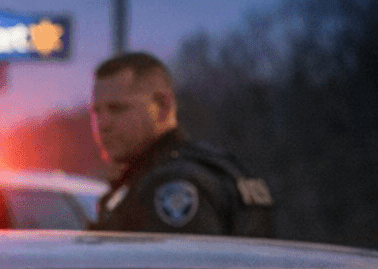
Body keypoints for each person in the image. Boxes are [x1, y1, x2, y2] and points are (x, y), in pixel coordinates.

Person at [88, 51, 274, 236]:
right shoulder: (224, 168)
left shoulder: (172, 184)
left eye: (117, 109)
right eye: (97, 112)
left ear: (163, 105)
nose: (103, 124)